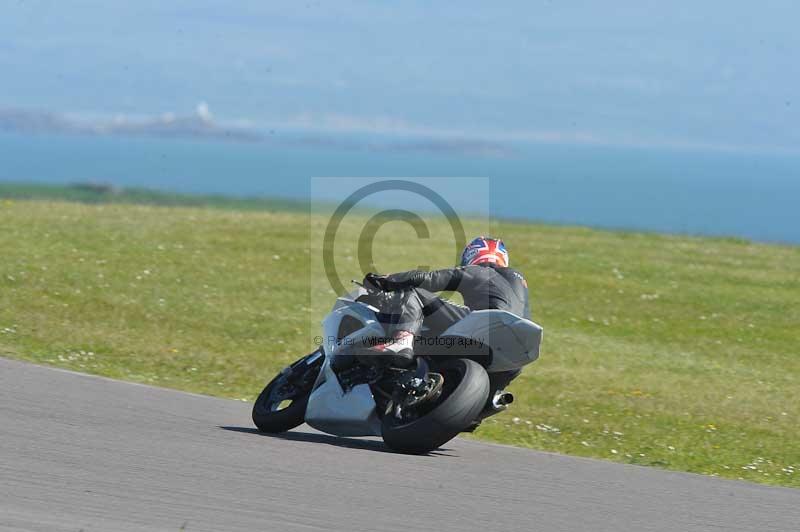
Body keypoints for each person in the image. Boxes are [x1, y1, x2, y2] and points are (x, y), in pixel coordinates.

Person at [361, 236, 530, 374]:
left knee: (413, 292)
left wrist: (386, 280)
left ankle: (401, 343)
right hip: (517, 353)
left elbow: (426, 279)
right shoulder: (520, 282)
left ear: (473, 256)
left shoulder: (479, 270)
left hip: (488, 324)